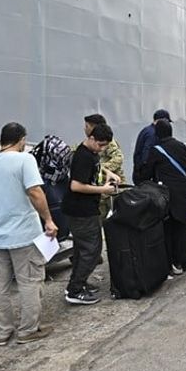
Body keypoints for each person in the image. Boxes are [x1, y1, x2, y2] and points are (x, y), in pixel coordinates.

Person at [0, 122, 57, 345]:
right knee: (30, 282)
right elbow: (34, 191)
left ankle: (2, 332)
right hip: (23, 233)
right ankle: (28, 329)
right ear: (21, 140)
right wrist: (49, 220)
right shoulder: (25, 160)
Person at [62, 123, 120, 306]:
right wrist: (102, 189)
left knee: (82, 250)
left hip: (86, 209)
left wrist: (108, 173)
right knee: (92, 251)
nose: (102, 149)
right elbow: (76, 186)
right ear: (92, 138)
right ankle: (75, 290)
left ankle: (78, 282)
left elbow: (96, 167)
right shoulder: (82, 156)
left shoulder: (92, 154)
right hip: (80, 211)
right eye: (100, 145)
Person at [136, 119, 186, 276]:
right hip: (183, 191)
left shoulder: (156, 150)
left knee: (169, 230)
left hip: (168, 195)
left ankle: (173, 263)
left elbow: (147, 173)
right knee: (183, 226)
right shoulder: (182, 146)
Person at [85, 114, 125, 221]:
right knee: (98, 218)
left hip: (112, 188)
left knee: (118, 218)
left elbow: (118, 158)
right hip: (102, 188)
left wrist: (100, 168)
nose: (85, 129)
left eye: (87, 126)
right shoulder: (90, 142)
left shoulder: (108, 142)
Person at [133, 109, 170, 174]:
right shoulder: (153, 134)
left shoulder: (147, 130)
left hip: (139, 169)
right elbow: (147, 152)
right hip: (144, 171)